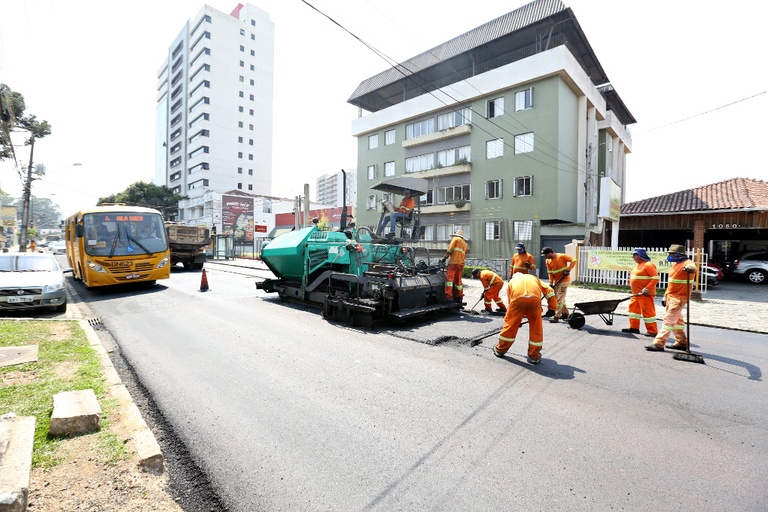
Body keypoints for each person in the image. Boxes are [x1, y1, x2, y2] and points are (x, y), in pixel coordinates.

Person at [494, 273, 558, 365]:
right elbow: (550, 290)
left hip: (517, 301)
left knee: (510, 327)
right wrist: (552, 308)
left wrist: (516, 321)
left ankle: (500, 350)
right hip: (534, 301)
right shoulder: (533, 278)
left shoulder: (511, 282)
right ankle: (534, 356)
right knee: (536, 328)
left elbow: (511, 301)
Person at [645, 244, 697, 352]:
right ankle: (682, 342)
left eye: (672, 254)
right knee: (677, 321)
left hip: (679, 298)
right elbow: (671, 283)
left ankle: (659, 343)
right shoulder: (675, 265)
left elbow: (693, 268)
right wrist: (665, 296)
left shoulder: (687, 263)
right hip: (671, 296)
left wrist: (690, 269)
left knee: (668, 320)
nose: (670, 256)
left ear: (679, 254)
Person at [623, 248, 659, 337]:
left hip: (645, 294)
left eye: (635, 255)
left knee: (648, 313)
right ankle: (634, 328)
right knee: (633, 311)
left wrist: (647, 288)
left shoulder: (648, 265)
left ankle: (652, 331)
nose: (633, 257)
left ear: (640, 255)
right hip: (636, 294)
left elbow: (655, 278)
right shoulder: (637, 265)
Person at [542, 247, 577, 323]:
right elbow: (550, 273)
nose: (545, 256)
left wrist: (568, 270)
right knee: (559, 298)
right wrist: (551, 283)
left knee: (559, 299)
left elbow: (574, 260)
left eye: (546, 255)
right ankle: (565, 314)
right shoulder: (547, 261)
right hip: (557, 281)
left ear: (550, 253)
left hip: (564, 280)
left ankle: (556, 316)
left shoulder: (561, 256)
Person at [441, 229, 468, 303]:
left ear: (456, 234)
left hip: (453, 263)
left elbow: (450, 250)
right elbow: (464, 255)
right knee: (458, 281)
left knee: (449, 280)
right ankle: (459, 297)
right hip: (461, 264)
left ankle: (449, 297)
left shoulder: (455, 239)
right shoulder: (465, 244)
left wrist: (444, 258)